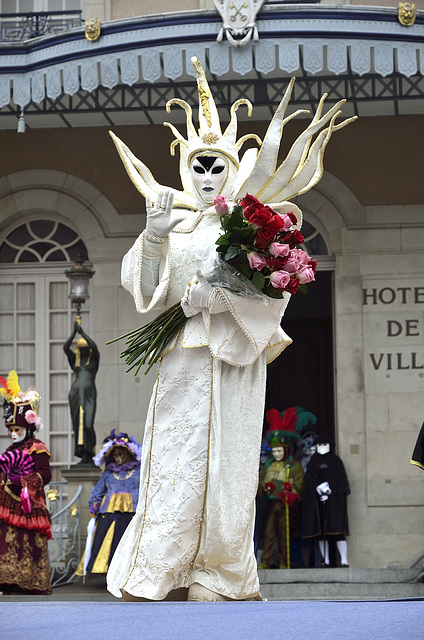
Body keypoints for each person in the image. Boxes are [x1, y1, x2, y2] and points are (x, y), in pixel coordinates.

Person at [106, 57, 354, 602]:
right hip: (181, 360)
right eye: (198, 167)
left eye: (217, 168)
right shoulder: (172, 224)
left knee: (228, 466)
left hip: (234, 359)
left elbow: (274, 295)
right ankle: (162, 569)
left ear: (233, 171)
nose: (207, 178)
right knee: (176, 461)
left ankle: (217, 574)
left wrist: (218, 298)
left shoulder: (252, 226)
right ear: (184, 170)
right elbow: (140, 288)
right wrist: (151, 237)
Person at [0, 370, 52, 595]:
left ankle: (28, 583)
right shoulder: (10, 451)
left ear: (28, 427)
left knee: (26, 543)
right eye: (10, 430)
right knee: (7, 542)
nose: (12, 434)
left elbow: (45, 474)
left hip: (28, 507)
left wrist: (22, 481)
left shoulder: (37, 447)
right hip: (7, 506)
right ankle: (8, 582)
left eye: (17, 430)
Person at [76, 430, 141, 576]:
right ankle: (111, 573)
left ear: (128, 453)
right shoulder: (108, 472)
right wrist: (94, 504)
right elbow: (98, 491)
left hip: (133, 514)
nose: (118, 458)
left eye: (121, 454)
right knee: (109, 543)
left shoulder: (139, 470)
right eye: (115, 455)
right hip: (109, 514)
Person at [257, 407, 305, 570]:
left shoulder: (294, 466)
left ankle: (284, 561)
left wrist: (290, 488)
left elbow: (300, 485)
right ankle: (266, 561)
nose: (277, 454)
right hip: (270, 505)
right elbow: (260, 484)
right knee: (269, 533)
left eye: (280, 450)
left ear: (286, 450)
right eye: (275, 451)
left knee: (285, 535)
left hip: (287, 506)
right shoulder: (267, 466)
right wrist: (265, 486)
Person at [302, 439, 350, 567]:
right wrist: (318, 489)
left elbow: (341, 481)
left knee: (338, 531)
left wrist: (330, 491)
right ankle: (326, 560)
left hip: (334, 503)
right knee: (321, 532)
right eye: (319, 444)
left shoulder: (336, 461)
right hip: (318, 503)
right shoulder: (313, 462)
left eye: (324, 444)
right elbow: (309, 482)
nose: (322, 447)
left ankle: (344, 560)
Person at [63, 320, 100, 464]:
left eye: (85, 348)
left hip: (89, 392)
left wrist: (82, 332)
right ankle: (83, 454)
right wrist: (74, 333)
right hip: (76, 393)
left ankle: (91, 451)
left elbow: (95, 348)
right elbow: (66, 348)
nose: (83, 350)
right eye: (81, 347)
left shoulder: (93, 361)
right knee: (77, 423)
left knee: (88, 424)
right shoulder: (76, 360)